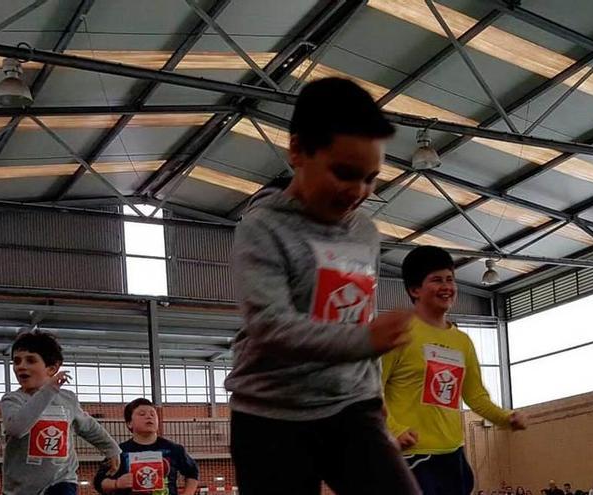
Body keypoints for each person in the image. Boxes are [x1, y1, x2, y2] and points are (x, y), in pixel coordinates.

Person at [224, 77, 420, 495]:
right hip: (271, 416)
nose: (358, 191)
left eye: (370, 178)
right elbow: (271, 326)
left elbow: (356, 315)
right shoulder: (262, 228)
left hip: (351, 408)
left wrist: (373, 387)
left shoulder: (366, 232)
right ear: (297, 151)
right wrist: (367, 340)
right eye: (345, 173)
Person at [381, 246, 527, 495]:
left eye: (450, 279)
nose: (446, 286)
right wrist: (395, 430)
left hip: (453, 454)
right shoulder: (398, 333)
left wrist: (505, 417)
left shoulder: (462, 341)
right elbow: (372, 391)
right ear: (414, 289)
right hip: (411, 456)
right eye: (436, 280)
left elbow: (475, 396)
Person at [1, 331, 121, 495]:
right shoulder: (13, 400)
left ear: (52, 368)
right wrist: (47, 391)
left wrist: (112, 449)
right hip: (21, 488)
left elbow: (89, 427)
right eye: (16, 361)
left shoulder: (67, 399)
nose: (21, 366)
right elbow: (16, 428)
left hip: (62, 480)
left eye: (30, 360)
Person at [95, 398, 199, 495]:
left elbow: (193, 472)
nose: (149, 416)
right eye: (142, 414)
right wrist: (116, 483)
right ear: (129, 423)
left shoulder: (174, 449)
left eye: (153, 414)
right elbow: (99, 481)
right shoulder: (119, 453)